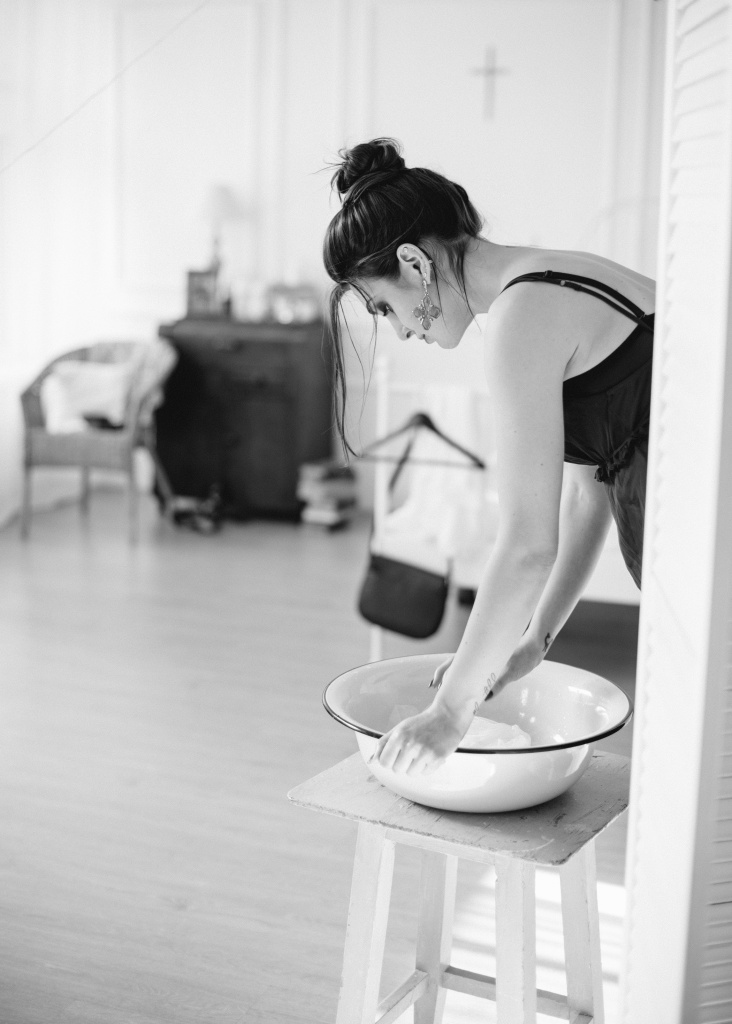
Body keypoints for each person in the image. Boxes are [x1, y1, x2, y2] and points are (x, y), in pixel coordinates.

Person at [323, 138, 654, 777]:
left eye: (385, 306)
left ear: (414, 262)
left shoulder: (520, 317)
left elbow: (527, 546)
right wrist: (535, 639)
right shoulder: (559, 274)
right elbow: (586, 494)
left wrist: (452, 710)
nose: (401, 329)